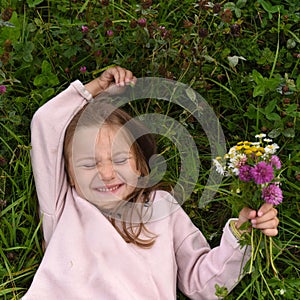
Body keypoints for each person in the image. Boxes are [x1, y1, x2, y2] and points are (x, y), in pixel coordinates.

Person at [23, 66, 279, 300]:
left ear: (139, 164)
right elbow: (46, 124)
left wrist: (242, 236)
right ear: (69, 175)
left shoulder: (161, 208)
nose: (106, 173)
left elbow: (203, 285)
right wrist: (96, 88)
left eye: (120, 159)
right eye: (89, 165)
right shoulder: (63, 204)